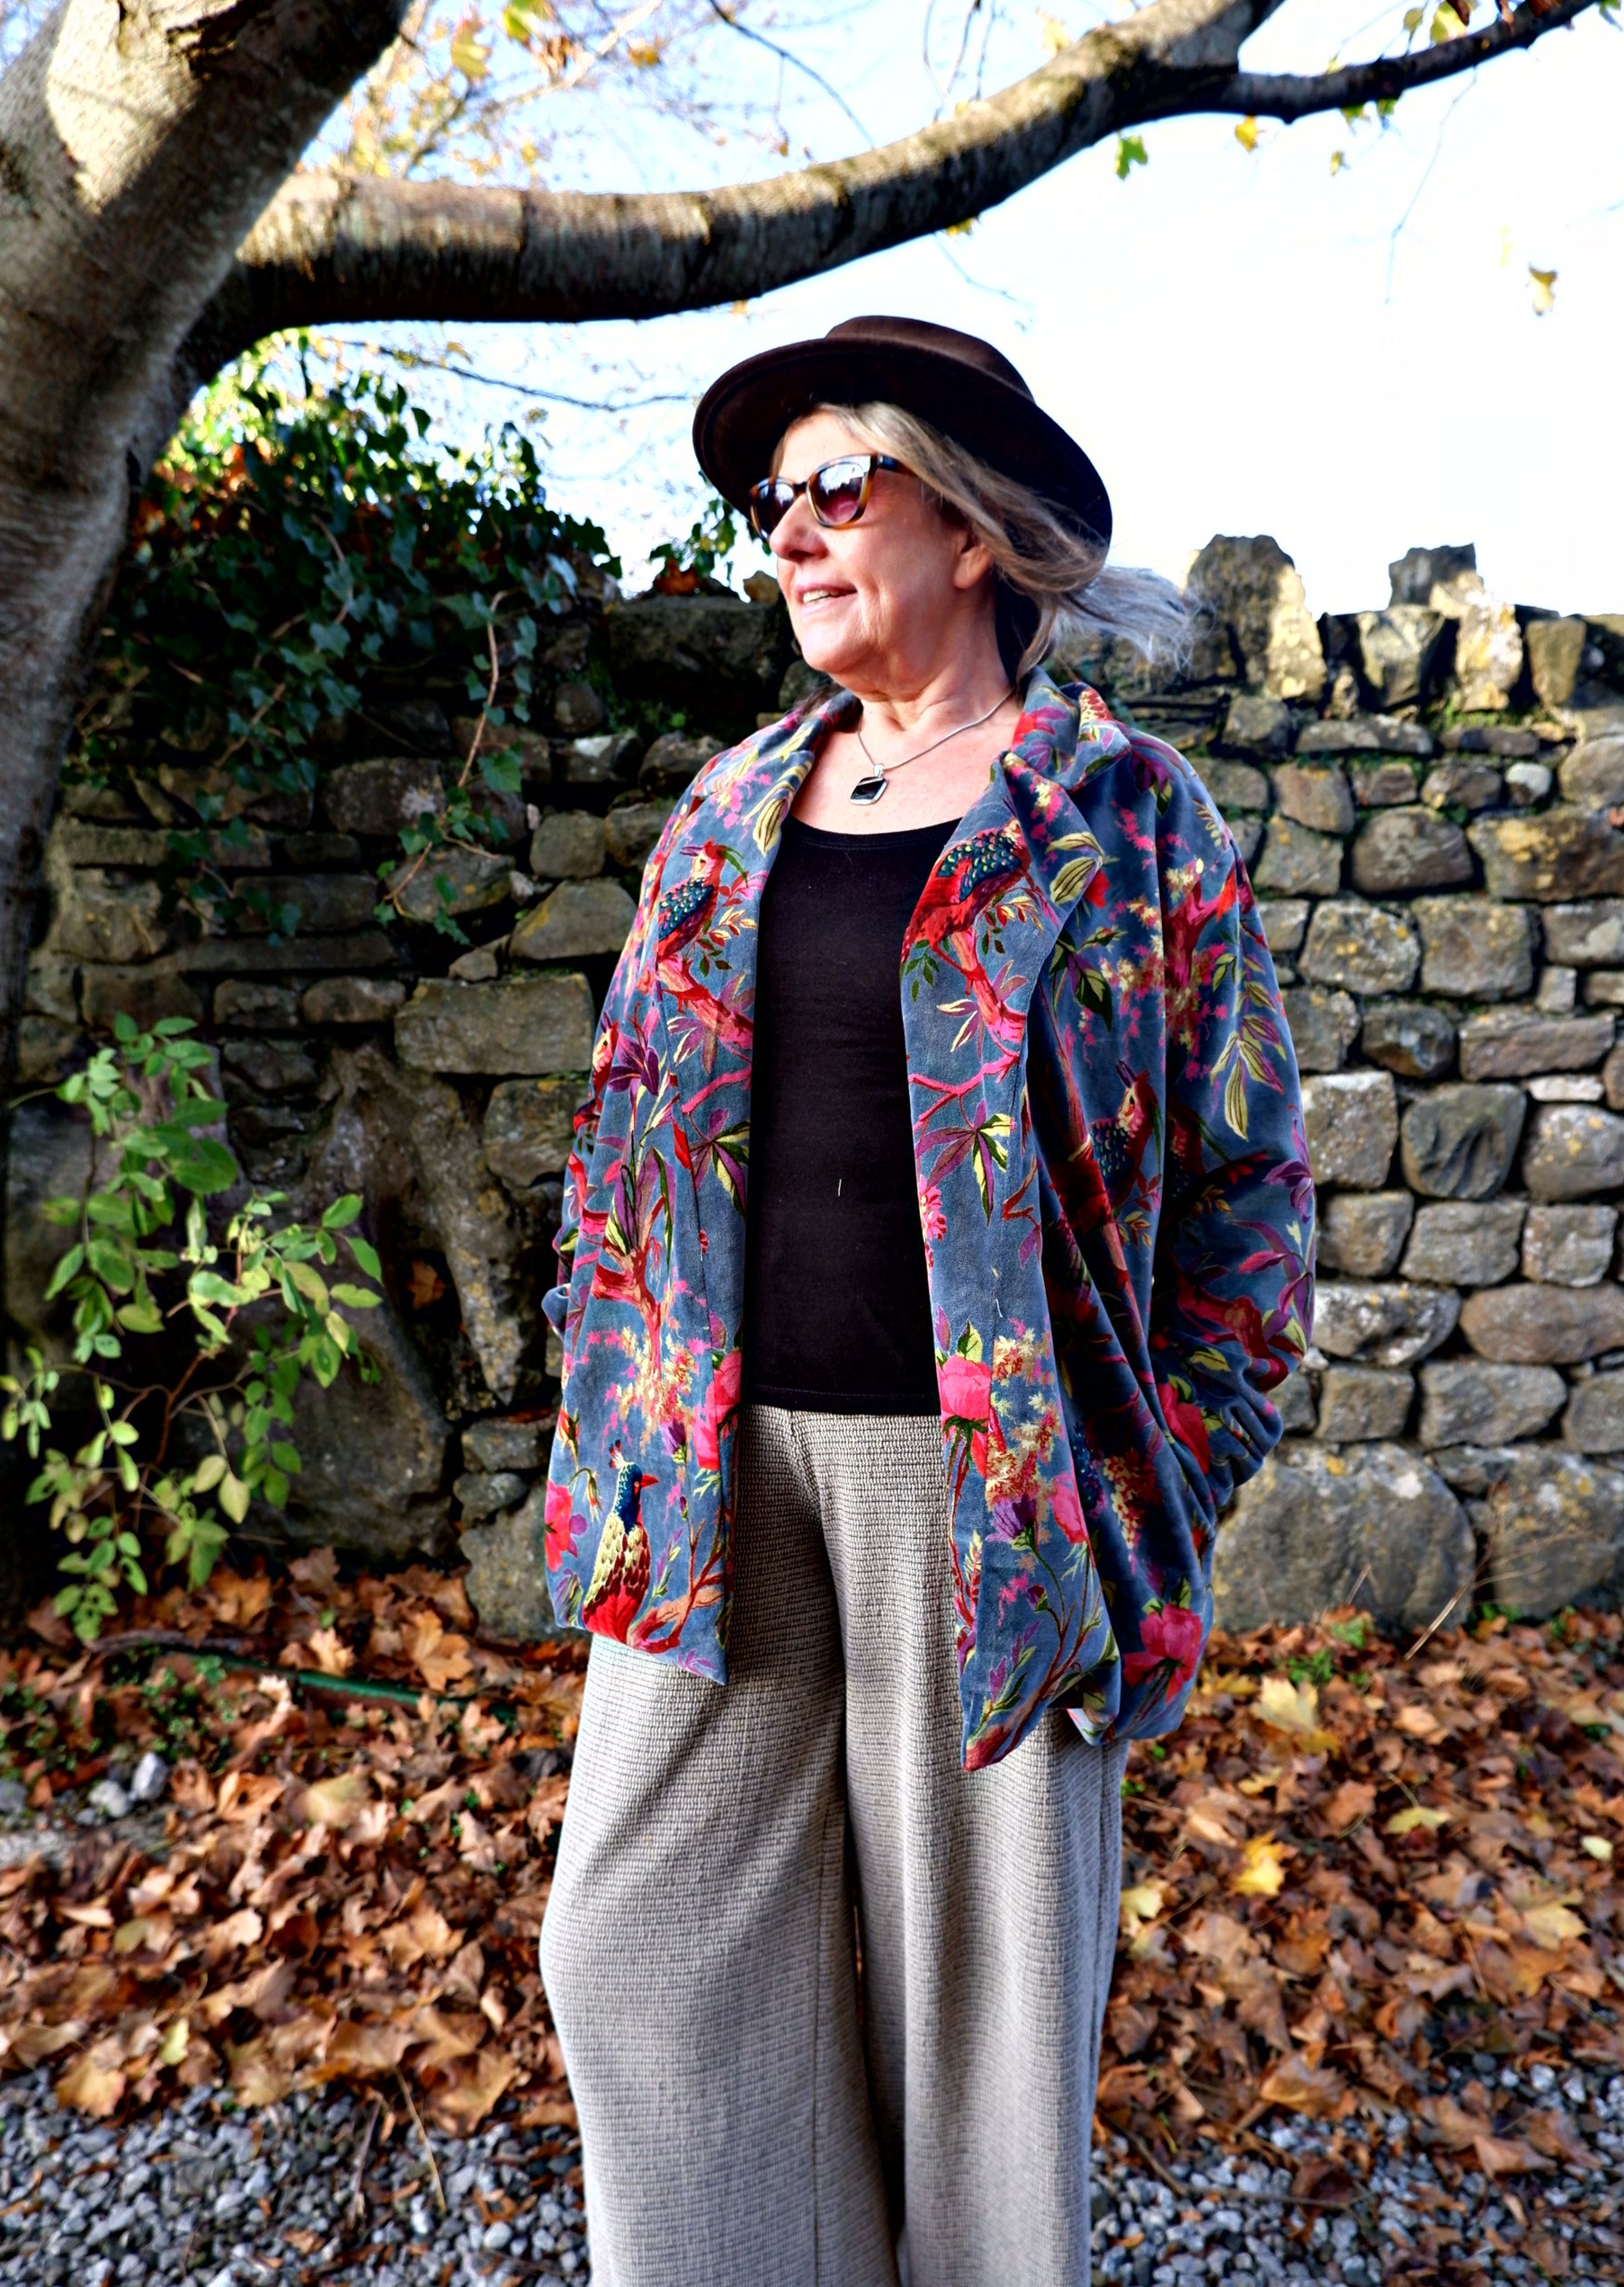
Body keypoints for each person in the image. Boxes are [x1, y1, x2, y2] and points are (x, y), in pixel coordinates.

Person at [537, 315, 1314, 2287]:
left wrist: (1145, 1493)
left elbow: (1250, 1194)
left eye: (829, 489)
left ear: (966, 528)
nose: (785, 538)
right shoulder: (728, 812)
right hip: (714, 1491)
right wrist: (618, 1416)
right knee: (629, 1947)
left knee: (983, 2043)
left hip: (995, 1504)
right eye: (763, 507)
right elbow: (628, 1148)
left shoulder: (1124, 816)